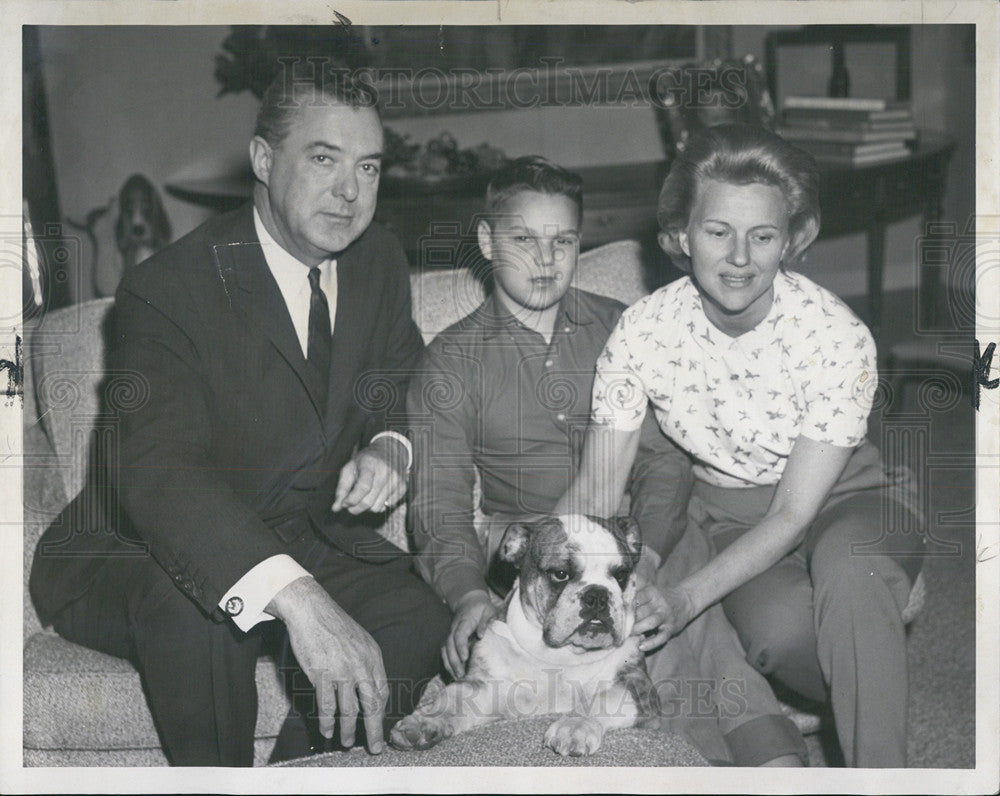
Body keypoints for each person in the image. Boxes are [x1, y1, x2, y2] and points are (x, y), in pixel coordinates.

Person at [30, 67, 450, 766]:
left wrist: (388, 447)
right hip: (129, 545)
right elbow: (158, 472)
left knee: (418, 615)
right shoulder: (169, 289)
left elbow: (397, 377)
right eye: (324, 159)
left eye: (368, 167)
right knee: (200, 613)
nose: (350, 192)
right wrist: (298, 598)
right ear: (263, 160)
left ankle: (304, 770)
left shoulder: (376, 259)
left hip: (300, 527)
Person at [408, 155, 807, 766]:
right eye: (524, 240)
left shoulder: (622, 325)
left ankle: (774, 764)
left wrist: (641, 559)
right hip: (538, 553)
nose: (546, 260)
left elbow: (664, 461)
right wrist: (466, 594)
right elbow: (438, 505)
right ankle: (718, 767)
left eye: (563, 241)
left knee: (693, 621)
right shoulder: (451, 362)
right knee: (662, 659)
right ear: (487, 242)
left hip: (638, 537)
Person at [561, 123, 925, 767]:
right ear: (679, 236)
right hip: (727, 515)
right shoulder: (641, 334)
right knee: (782, 634)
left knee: (853, 576)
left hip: (846, 495)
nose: (739, 258)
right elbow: (598, 486)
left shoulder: (838, 337)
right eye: (717, 231)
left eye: (762, 236)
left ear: (792, 239)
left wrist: (688, 596)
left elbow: (793, 512)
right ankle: (873, 666)